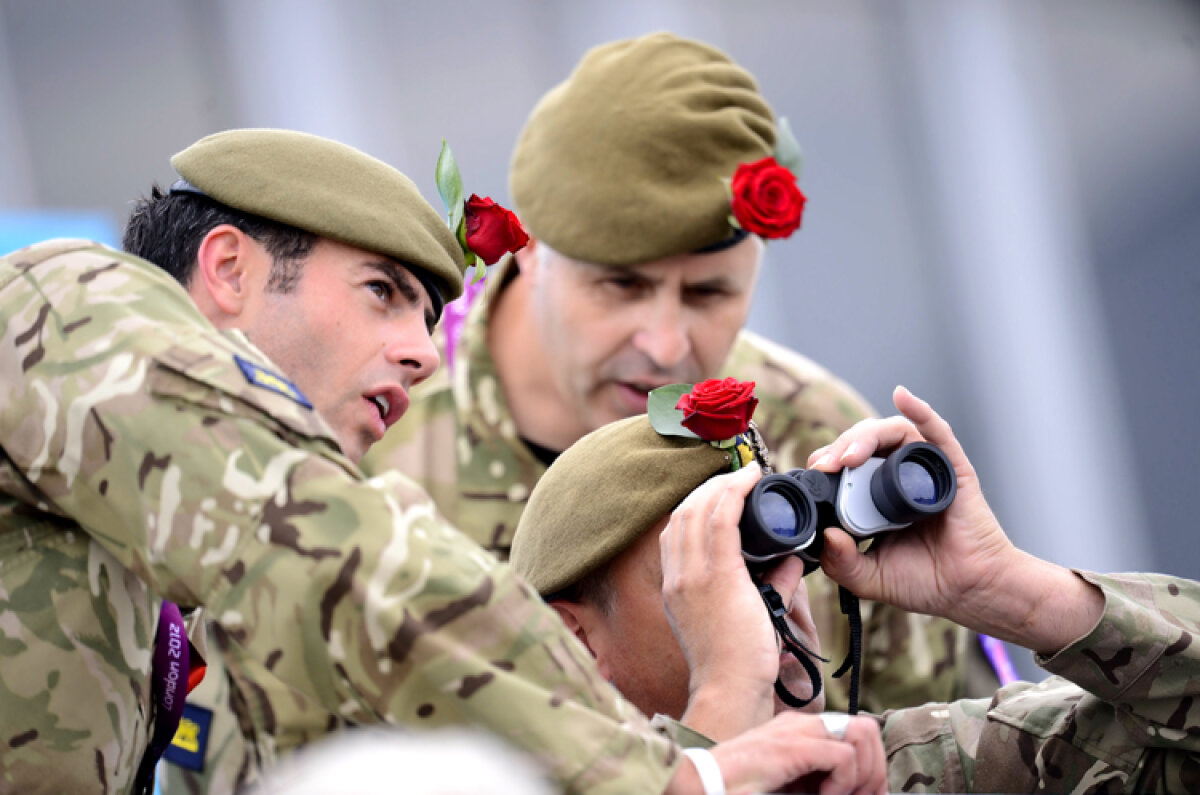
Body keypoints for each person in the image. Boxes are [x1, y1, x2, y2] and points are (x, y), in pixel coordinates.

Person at [0, 128, 889, 795]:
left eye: (429, 320)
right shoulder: (64, 307)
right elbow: (344, 552)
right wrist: (683, 775)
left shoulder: (192, 558)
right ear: (229, 268)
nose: (424, 353)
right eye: (382, 292)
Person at [508, 381, 1200, 792]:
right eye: (704, 572)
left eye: (770, 559)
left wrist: (1012, 591)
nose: (763, 600)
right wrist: (726, 700)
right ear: (579, 641)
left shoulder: (906, 771)